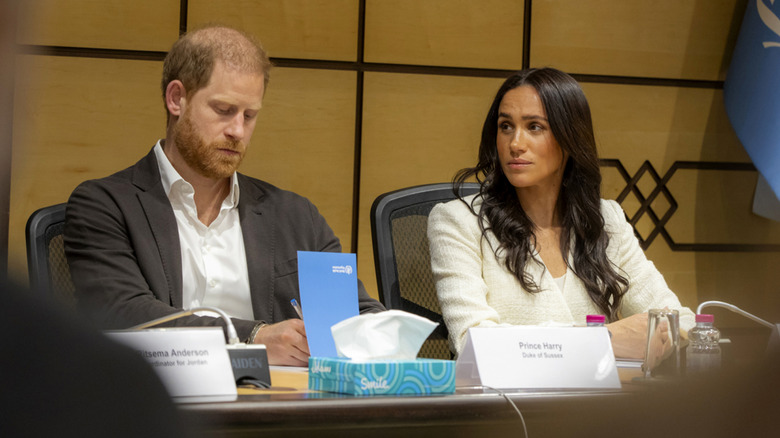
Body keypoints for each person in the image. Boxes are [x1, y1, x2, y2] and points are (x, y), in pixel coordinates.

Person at [64, 25, 385, 367]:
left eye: (249, 116)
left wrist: (383, 333)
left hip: (280, 409)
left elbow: (357, 315)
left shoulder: (294, 214)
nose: (237, 131)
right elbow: (124, 313)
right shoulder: (105, 205)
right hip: (159, 404)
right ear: (177, 99)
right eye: (223, 110)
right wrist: (253, 337)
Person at [427, 67, 694, 358]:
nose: (515, 144)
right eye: (505, 126)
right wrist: (606, 339)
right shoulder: (458, 222)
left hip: (604, 401)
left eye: (534, 127)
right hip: (508, 403)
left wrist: (669, 334)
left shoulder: (606, 220)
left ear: (570, 138)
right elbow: (472, 346)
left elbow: (681, 322)